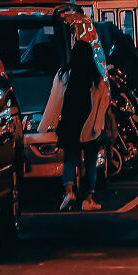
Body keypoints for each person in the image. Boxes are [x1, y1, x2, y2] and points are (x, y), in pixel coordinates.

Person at [40, 40, 111, 212]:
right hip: (90, 127)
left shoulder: (64, 75)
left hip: (69, 124)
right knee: (91, 162)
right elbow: (103, 103)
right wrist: (99, 125)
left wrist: (47, 124)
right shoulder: (97, 78)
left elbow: (54, 100)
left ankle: (69, 192)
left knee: (69, 159)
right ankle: (88, 198)